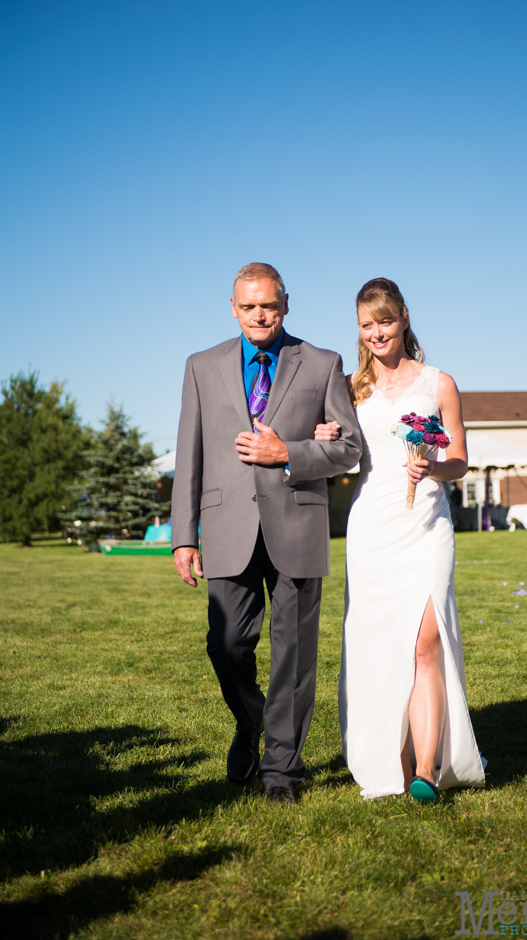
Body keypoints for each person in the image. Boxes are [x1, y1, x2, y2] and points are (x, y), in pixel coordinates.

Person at [171, 263, 362, 805]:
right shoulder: (201, 366)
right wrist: (184, 534)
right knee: (227, 642)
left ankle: (283, 768)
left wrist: (290, 454)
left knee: (294, 655)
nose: (259, 314)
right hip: (227, 525)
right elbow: (190, 453)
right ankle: (252, 721)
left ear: (286, 304)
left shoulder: (323, 364)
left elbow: (349, 448)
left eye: (269, 305)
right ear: (232, 307)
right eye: (248, 305)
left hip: (297, 521)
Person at [317, 278, 485, 802]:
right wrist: (324, 438)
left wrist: (433, 467)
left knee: (426, 642)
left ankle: (428, 770)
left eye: (385, 321)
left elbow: (459, 460)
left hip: (427, 524)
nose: (376, 333)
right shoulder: (349, 388)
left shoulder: (440, 383)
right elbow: (342, 452)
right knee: (381, 646)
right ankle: (394, 755)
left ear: (404, 318)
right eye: (367, 325)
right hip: (371, 526)